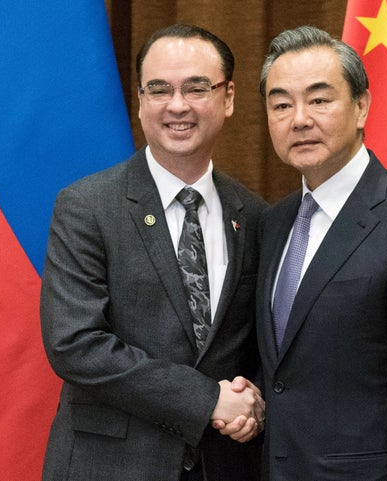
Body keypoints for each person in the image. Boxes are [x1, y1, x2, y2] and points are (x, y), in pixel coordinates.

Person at [39, 24, 267, 481]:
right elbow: (75, 344)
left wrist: (253, 400)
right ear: (140, 101)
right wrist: (206, 400)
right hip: (109, 466)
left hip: (223, 465)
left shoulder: (256, 215)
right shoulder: (86, 206)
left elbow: (259, 342)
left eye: (197, 88)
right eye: (159, 89)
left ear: (228, 98)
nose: (177, 105)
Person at [255, 26, 387, 480]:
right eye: (281, 105)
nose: (299, 119)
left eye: (319, 100)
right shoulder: (273, 225)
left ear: (361, 107)